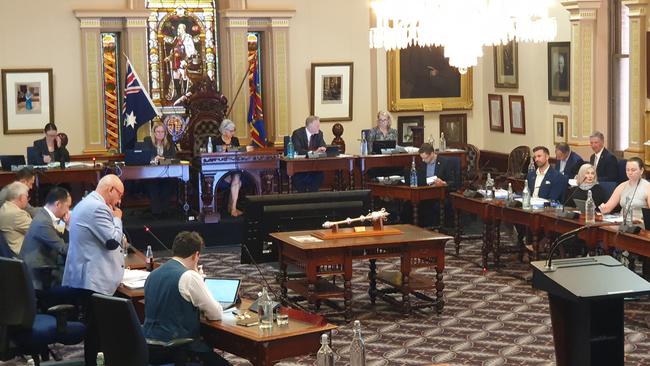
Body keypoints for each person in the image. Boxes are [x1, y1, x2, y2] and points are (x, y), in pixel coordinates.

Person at [62, 174, 126, 366]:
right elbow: (112, 242)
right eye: (119, 195)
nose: (119, 201)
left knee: (97, 328)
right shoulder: (98, 208)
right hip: (95, 279)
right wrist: (117, 219)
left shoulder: (86, 203)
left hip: (90, 276)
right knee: (97, 328)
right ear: (110, 189)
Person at [143, 231, 231, 366]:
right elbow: (215, 314)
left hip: (148, 347)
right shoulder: (189, 276)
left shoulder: (153, 274)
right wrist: (198, 277)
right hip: (178, 349)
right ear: (196, 255)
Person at [20, 187, 71, 291]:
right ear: (58, 204)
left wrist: (65, 224)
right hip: (39, 276)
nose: (68, 211)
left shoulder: (43, 213)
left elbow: (58, 233)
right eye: (67, 207)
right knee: (78, 288)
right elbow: (63, 248)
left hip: (44, 268)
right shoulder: (43, 223)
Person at [214, 119, 253, 217]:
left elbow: (238, 153)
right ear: (224, 131)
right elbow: (215, 155)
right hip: (221, 172)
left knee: (237, 177)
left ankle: (233, 208)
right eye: (231, 131)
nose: (233, 133)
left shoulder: (235, 140)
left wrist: (242, 149)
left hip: (234, 170)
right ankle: (232, 208)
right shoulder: (216, 141)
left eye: (234, 130)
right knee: (237, 182)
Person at [143, 121, 177, 217]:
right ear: (153, 132)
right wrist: (154, 158)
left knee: (168, 184)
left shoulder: (170, 143)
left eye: (162, 132)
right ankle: (156, 212)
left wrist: (164, 159)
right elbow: (145, 156)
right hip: (151, 173)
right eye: (158, 132)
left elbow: (173, 157)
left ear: (165, 133)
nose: (160, 134)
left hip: (167, 172)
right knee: (152, 185)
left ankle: (165, 212)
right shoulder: (148, 141)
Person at [291, 116, 326, 192]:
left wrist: (323, 149)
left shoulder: (319, 134)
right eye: (317, 126)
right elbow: (298, 150)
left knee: (320, 175)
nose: (318, 128)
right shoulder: (297, 134)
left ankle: (314, 199)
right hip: (300, 168)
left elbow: (323, 145)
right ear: (310, 125)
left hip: (314, 167)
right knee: (300, 179)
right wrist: (313, 152)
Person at [165, 23, 197, 101]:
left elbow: (191, 50)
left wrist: (186, 59)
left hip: (184, 60)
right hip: (176, 61)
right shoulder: (176, 38)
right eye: (178, 28)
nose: (179, 30)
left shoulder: (188, 37)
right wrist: (169, 57)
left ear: (184, 29)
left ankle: (186, 94)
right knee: (176, 76)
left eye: (180, 28)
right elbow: (173, 49)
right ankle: (179, 95)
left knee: (184, 76)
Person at [0, 182, 32, 255]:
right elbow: (37, 231)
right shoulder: (17, 214)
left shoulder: (4, 207)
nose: (28, 200)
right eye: (27, 197)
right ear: (21, 197)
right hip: (23, 254)